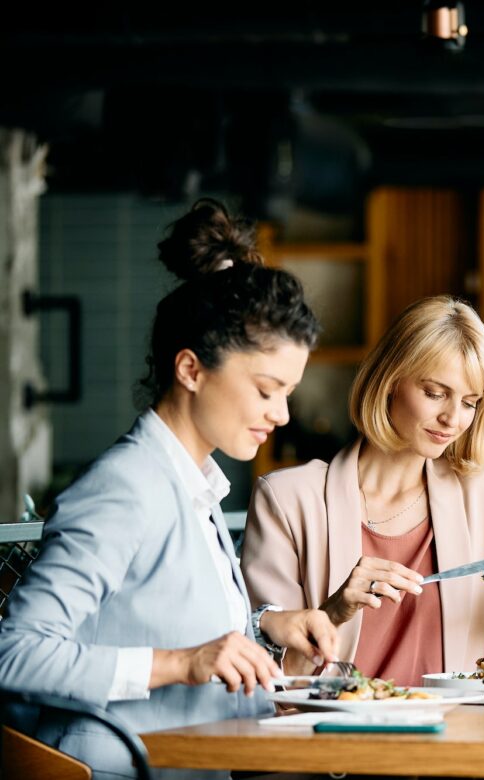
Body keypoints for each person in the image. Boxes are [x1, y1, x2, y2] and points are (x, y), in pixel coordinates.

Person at [0, 199, 339, 779]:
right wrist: (183, 663)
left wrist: (265, 627)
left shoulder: (192, 484)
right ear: (190, 370)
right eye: (266, 389)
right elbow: (15, 653)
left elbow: (144, 613)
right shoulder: (127, 486)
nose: (281, 415)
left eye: (288, 393)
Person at [242, 295, 484, 684]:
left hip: (454, 736)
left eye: (470, 403)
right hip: (334, 736)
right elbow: (267, 673)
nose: (452, 419)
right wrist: (334, 611)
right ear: (389, 381)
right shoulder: (287, 500)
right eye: (435, 393)